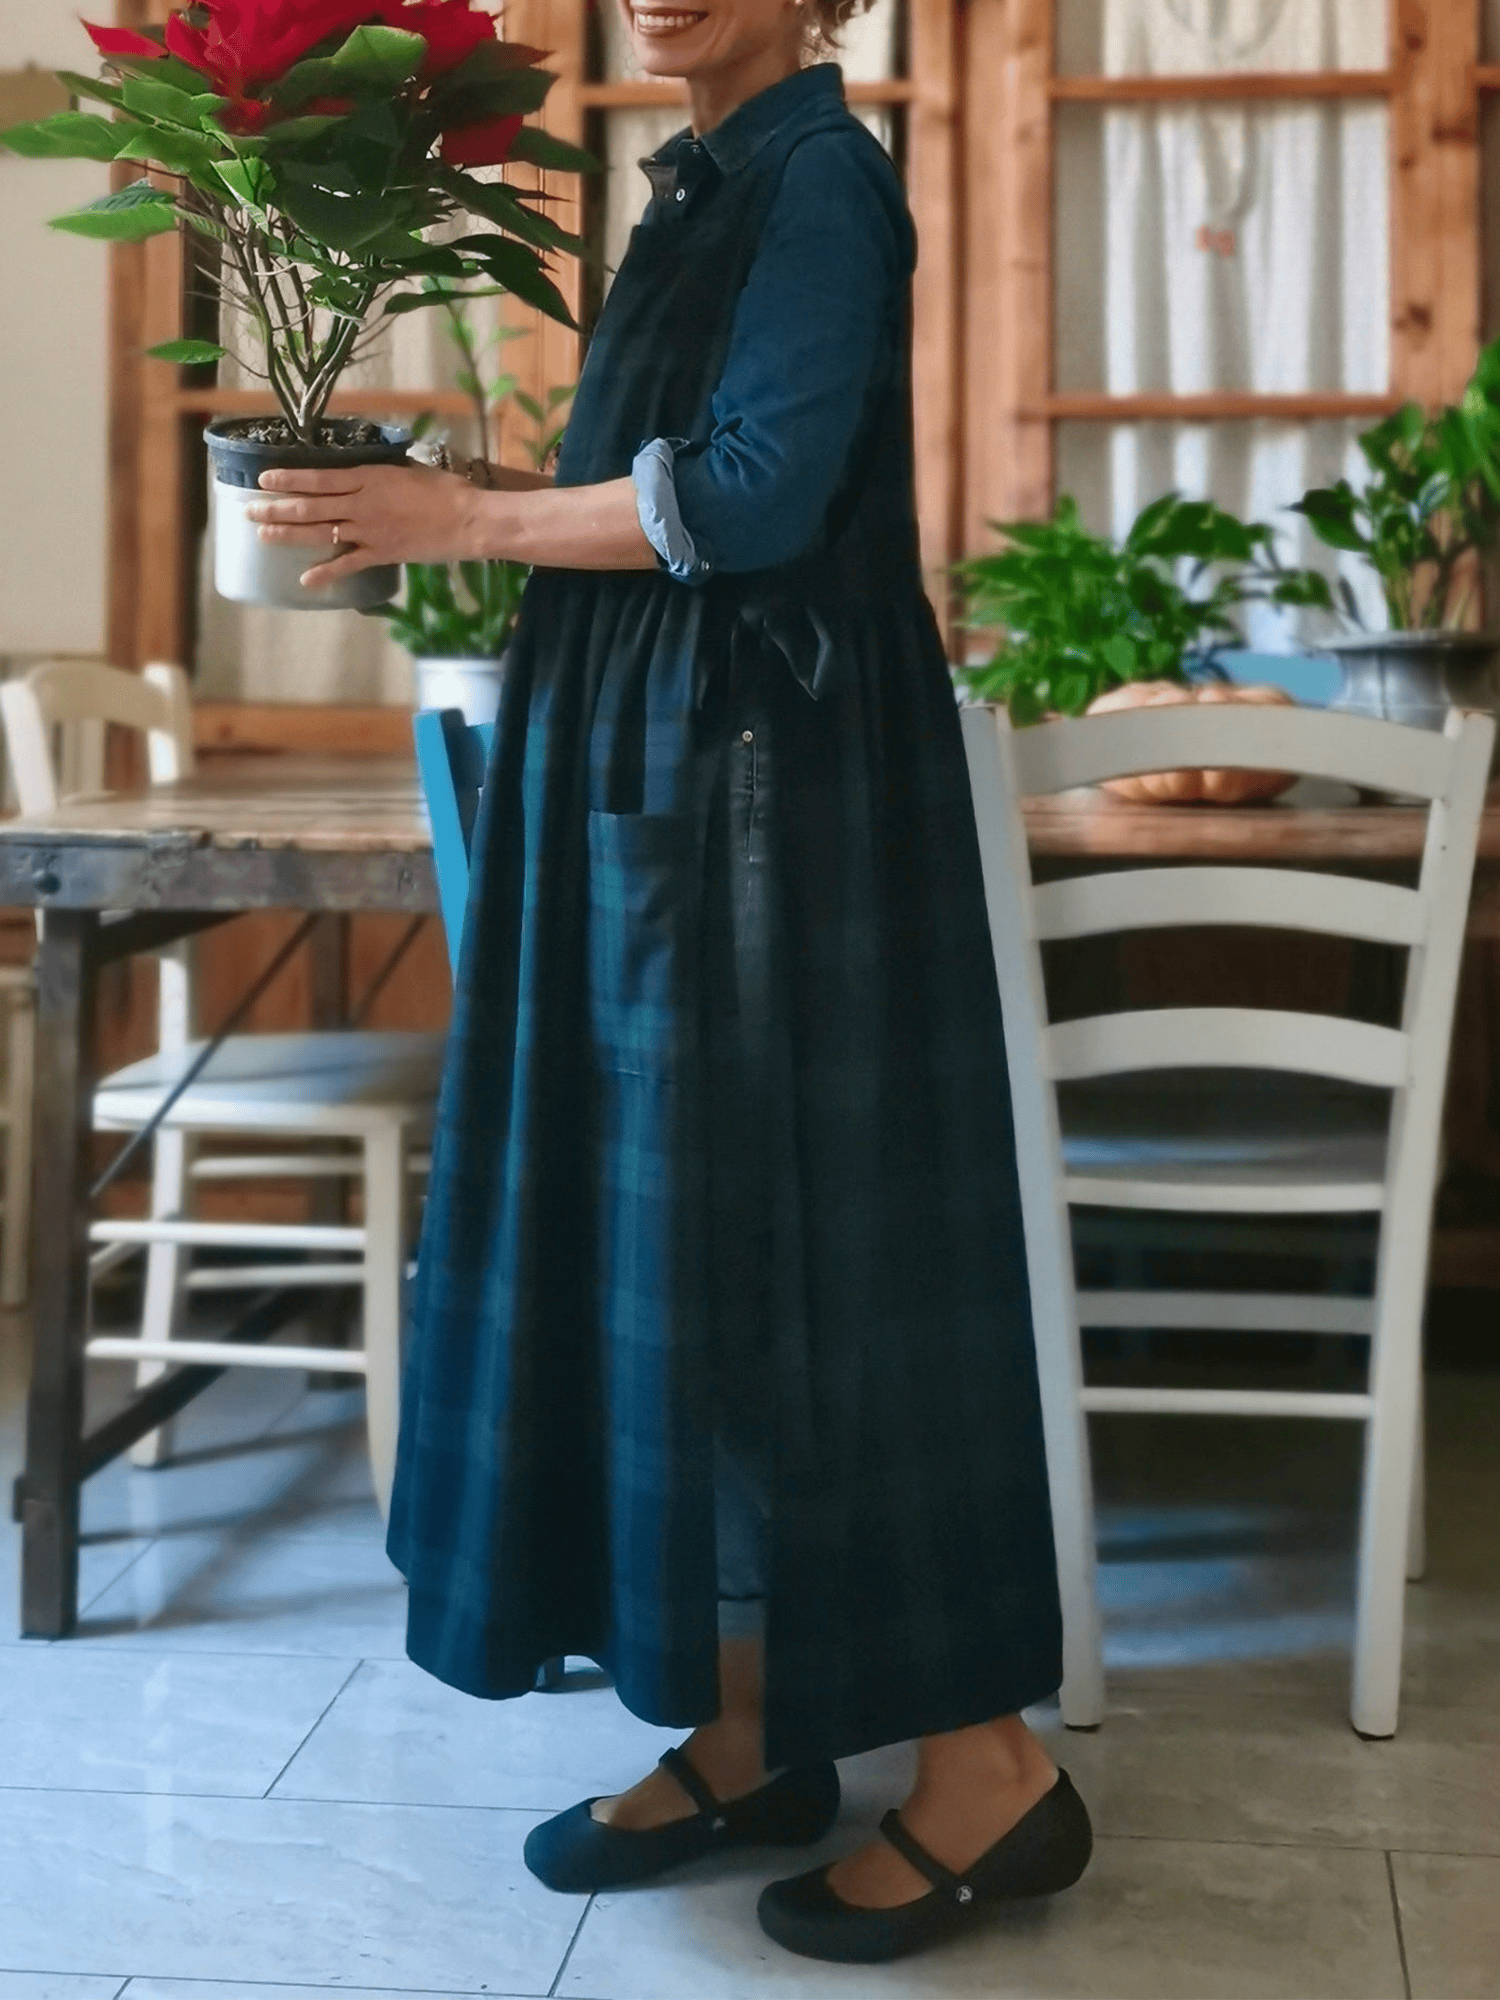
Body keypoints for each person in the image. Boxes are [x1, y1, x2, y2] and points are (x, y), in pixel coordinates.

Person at [248, 0, 1092, 1965]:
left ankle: (991, 1771)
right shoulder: (708, 183)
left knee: (806, 1272)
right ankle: (746, 1714)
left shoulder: (823, 180)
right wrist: (454, 500)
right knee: (688, 1274)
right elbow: (661, 488)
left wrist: (466, 518)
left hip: (761, 806)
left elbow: (751, 498)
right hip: (673, 795)